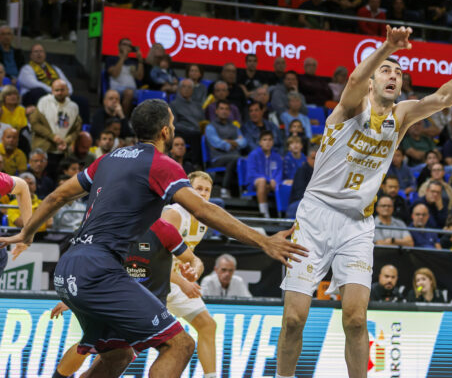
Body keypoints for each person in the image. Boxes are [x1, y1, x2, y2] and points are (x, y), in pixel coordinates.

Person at [0, 99, 306, 378]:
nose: (173, 128)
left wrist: (27, 232)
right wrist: (263, 241)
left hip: (68, 267)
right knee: (180, 344)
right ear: (165, 131)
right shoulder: (161, 164)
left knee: (118, 353)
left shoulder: (107, 159)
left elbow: (56, 197)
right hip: (99, 270)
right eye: (172, 123)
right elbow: (202, 209)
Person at [274, 26, 452, 378]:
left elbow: (443, 99)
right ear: (371, 82)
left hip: (357, 224)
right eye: (385, 71)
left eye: (398, 72)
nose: (393, 75)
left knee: (355, 318)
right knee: (293, 318)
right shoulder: (350, 108)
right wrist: (386, 48)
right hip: (316, 216)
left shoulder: (402, 115)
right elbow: (353, 79)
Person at [49, 217, 204, 378]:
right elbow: (90, 265)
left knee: (115, 355)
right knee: (95, 348)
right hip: (116, 302)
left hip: (146, 307)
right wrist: (76, 294)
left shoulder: (163, 229)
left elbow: (194, 260)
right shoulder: (110, 227)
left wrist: (193, 272)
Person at [161, 171, 220, 377]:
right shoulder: (174, 214)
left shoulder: (203, 218)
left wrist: (194, 271)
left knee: (207, 325)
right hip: (152, 282)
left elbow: (192, 258)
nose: (203, 194)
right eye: (198, 189)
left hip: (175, 282)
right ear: (187, 190)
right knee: (121, 344)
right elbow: (152, 260)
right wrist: (182, 282)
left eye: (207, 190)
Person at [29, 79, 81, 172]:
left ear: (68, 90)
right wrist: (52, 137)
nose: (60, 92)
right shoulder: (44, 102)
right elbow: (34, 123)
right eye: (57, 90)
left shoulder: (74, 107)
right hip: (44, 150)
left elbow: (76, 130)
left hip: (63, 152)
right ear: (52, 91)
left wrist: (66, 141)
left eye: (62, 90)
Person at [205, 100, 247, 199]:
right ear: (216, 111)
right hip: (217, 159)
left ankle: (243, 189)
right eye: (221, 108)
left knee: (242, 158)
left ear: (229, 112)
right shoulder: (210, 127)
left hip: (234, 157)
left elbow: (244, 142)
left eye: (227, 109)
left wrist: (227, 141)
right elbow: (217, 143)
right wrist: (233, 143)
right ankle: (225, 188)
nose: (224, 111)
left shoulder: (234, 127)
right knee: (235, 158)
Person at [170, 79, 205, 164]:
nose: (186, 89)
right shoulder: (174, 104)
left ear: (192, 90)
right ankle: (195, 164)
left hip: (197, 131)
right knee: (195, 135)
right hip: (182, 131)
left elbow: (203, 121)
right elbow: (173, 124)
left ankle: (208, 163)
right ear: (179, 89)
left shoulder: (198, 106)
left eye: (189, 87)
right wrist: (190, 129)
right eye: (184, 86)